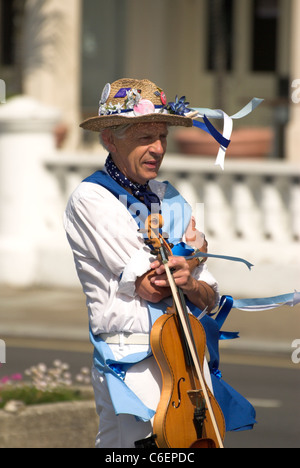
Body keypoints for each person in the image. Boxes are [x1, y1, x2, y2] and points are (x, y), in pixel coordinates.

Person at [64, 78, 256, 448]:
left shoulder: (171, 198)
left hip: (186, 356)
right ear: (109, 140)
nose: (157, 148)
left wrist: (191, 279)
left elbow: (208, 298)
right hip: (131, 361)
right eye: (143, 137)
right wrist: (187, 263)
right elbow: (150, 285)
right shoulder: (92, 198)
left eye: (162, 136)